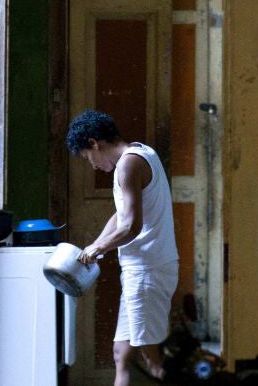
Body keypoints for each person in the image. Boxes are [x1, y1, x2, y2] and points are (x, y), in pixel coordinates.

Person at [66, 109, 178, 385]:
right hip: (143, 269)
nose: (92, 165)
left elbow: (131, 226)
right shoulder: (142, 153)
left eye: (88, 157)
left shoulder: (129, 165)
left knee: (152, 360)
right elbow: (120, 215)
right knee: (121, 354)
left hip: (146, 271)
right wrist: (97, 245)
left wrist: (97, 249)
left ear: (94, 143)